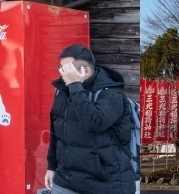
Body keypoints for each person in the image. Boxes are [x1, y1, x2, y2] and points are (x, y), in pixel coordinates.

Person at [46, 44, 134, 194]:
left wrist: (75, 86)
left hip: (105, 184)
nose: (62, 73)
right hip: (66, 181)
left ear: (85, 71)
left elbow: (95, 123)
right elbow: (57, 131)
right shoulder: (63, 91)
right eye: (60, 68)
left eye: (67, 69)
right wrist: (51, 166)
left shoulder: (112, 95)